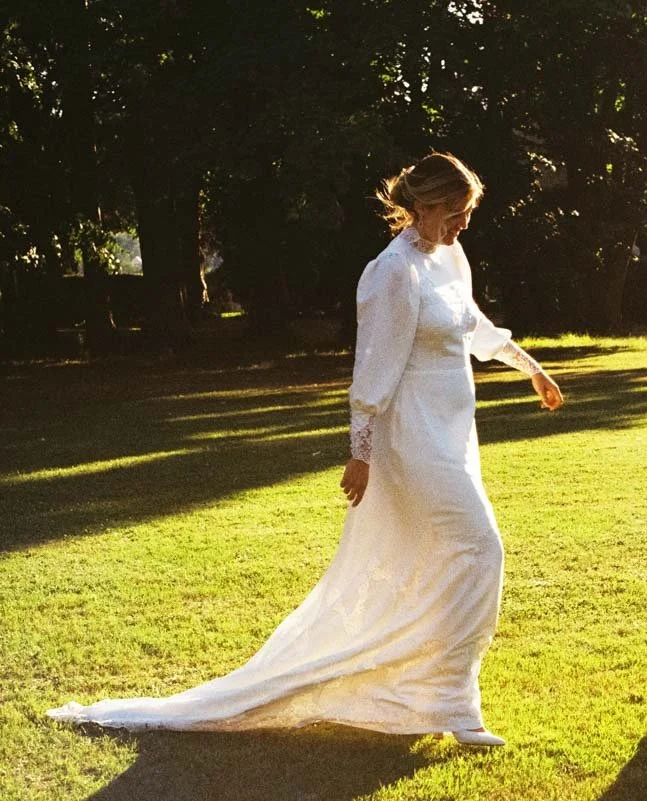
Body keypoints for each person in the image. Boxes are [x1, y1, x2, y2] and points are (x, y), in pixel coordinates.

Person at [48, 152, 563, 747]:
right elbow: (371, 374)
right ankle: (453, 702)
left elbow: (473, 325)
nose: (464, 224)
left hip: (453, 435)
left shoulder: (448, 256)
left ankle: (437, 695)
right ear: (423, 206)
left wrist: (532, 368)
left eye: (468, 213)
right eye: (456, 211)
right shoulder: (393, 272)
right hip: (414, 442)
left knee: (447, 562)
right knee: (481, 549)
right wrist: (362, 453)